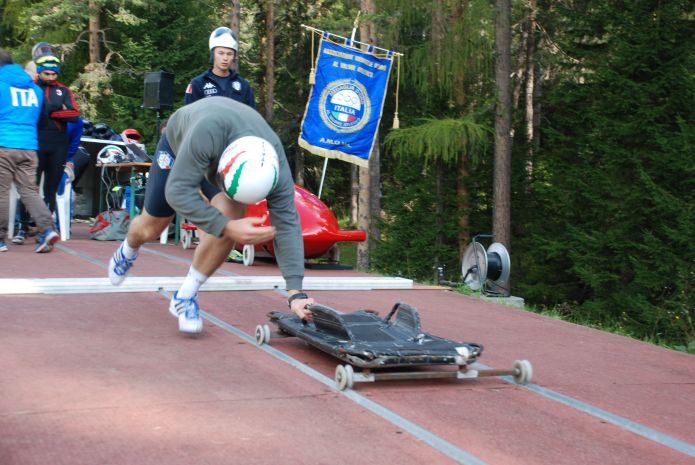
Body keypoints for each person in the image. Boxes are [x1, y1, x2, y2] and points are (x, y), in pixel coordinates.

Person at [107, 96, 314, 334]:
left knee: (231, 217)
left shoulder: (274, 162)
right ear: (222, 170)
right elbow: (177, 192)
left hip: (227, 151)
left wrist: (296, 292)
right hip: (180, 145)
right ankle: (128, 250)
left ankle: (185, 296)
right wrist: (226, 227)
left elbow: (287, 222)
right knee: (152, 227)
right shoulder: (206, 133)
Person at [13, 50, 80, 242]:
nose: (51, 77)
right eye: (47, 74)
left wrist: (51, 112)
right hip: (35, 142)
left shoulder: (64, 91)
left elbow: (74, 115)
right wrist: (57, 109)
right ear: (39, 72)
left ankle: (44, 228)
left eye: (54, 74)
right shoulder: (31, 89)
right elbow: (30, 113)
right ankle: (23, 228)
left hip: (58, 143)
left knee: (51, 188)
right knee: (29, 187)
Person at [0, 49, 59, 253]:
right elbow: (43, 120)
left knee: (1, 192)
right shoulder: (35, 91)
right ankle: (47, 230)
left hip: (4, 146)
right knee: (30, 192)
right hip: (30, 147)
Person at [184, 27, 256, 108]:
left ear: (234, 56)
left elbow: (251, 116)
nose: (225, 58)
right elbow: (188, 116)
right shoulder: (197, 84)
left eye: (229, 54)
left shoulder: (244, 86)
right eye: (221, 53)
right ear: (213, 54)